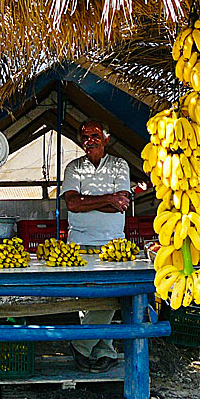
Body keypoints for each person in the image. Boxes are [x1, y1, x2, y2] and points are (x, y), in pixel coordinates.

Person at [60, 119, 131, 373]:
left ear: (106, 138)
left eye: (95, 135)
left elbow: (121, 203)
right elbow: (72, 204)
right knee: (87, 299)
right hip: (79, 244)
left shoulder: (119, 165)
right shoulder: (74, 168)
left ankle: (81, 345)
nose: (89, 140)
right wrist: (108, 199)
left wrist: (91, 200)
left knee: (110, 297)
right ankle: (104, 351)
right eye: (85, 136)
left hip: (113, 245)